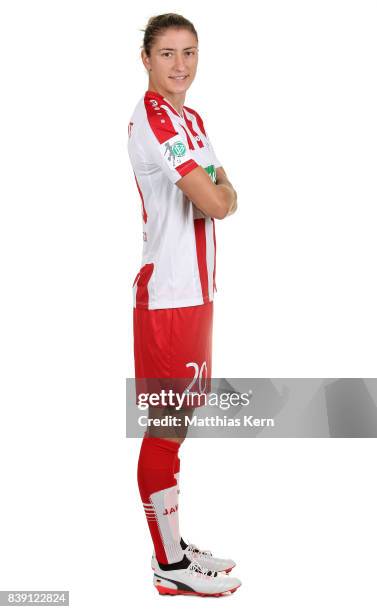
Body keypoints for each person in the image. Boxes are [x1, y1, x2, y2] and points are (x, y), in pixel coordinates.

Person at [127, 13, 241, 597]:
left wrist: (217, 188)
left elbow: (229, 188)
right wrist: (216, 190)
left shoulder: (191, 119)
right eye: (167, 53)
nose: (180, 65)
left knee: (182, 417)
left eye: (189, 52)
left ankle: (173, 544)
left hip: (199, 294)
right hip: (169, 296)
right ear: (145, 59)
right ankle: (167, 565)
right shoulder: (153, 119)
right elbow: (217, 202)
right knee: (165, 426)